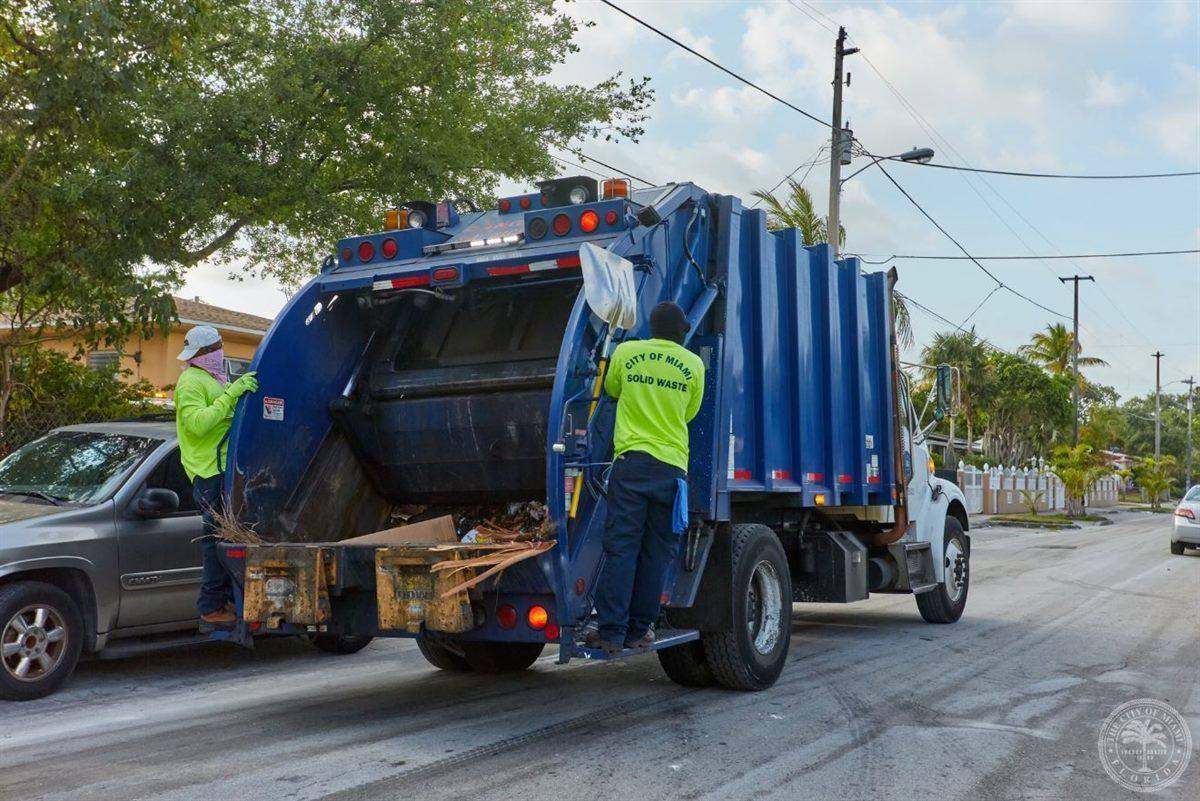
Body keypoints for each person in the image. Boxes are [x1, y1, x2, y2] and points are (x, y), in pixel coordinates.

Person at [587, 301, 705, 653]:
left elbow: (610, 389)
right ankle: (640, 630)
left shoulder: (627, 352)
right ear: (679, 332)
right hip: (671, 470)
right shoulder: (693, 364)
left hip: (632, 464)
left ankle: (611, 633)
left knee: (622, 548)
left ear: (652, 328)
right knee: (656, 554)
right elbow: (691, 412)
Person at [174, 325, 258, 629]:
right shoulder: (191, 382)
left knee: (225, 537)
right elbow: (198, 425)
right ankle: (210, 606)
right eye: (217, 348)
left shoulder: (211, 378)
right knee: (214, 540)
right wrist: (232, 395)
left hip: (219, 467)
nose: (220, 353)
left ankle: (224, 601)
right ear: (206, 353)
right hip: (208, 470)